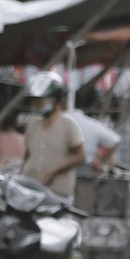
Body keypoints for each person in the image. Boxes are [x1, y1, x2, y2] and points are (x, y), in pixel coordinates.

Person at [21, 72, 86, 201]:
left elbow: (81, 156)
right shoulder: (33, 124)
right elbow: (28, 154)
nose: (37, 104)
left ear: (55, 99)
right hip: (31, 191)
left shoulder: (68, 124)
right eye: (35, 100)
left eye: (41, 100)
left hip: (57, 194)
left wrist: (54, 171)